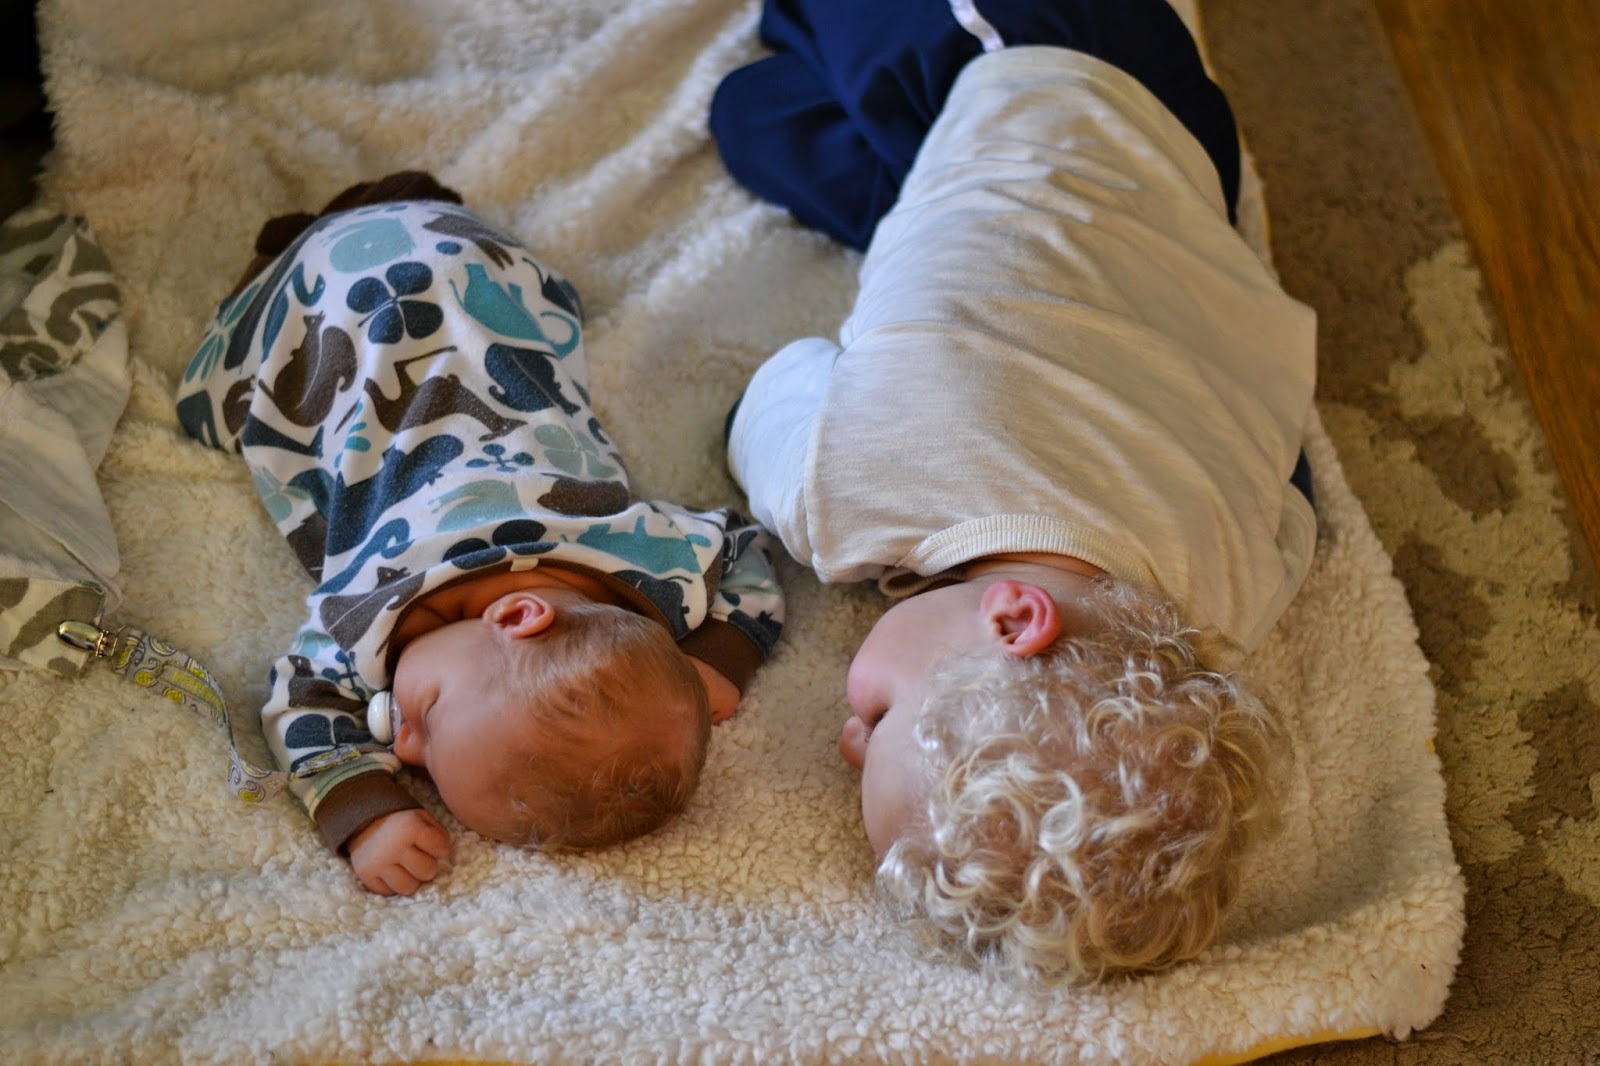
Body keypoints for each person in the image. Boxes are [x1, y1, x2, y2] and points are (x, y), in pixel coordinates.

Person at [715, 1, 1317, 980]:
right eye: (880, 723)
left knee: (755, 119)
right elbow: (764, 400)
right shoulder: (850, 490)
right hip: (1033, 49)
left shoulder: (1230, 594)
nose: (846, 739)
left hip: (1182, 153)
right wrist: (803, 487)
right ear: (1011, 619)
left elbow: (1293, 506)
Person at [176, 172, 784, 897]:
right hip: (333, 303)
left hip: (468, 257)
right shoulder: (377, 600)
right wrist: (359, 806)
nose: (402, 746)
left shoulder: (654, 562)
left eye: (418, 764)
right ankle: (288, 258)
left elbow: (738, 552)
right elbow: (298, 698)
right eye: (429, 720)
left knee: (481, 318)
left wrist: (716, 654)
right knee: (224, 403)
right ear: (518, 616)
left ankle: (389, 213)